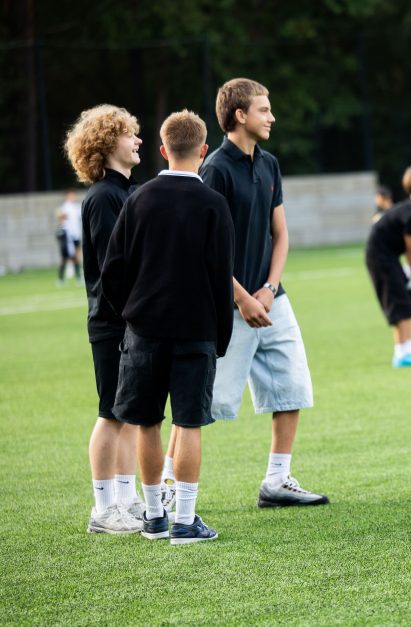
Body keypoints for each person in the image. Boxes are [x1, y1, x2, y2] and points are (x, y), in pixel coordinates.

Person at [101, 110, 235, 545]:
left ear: (162, 149)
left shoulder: (137, 199)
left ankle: (155, 517)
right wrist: (221, 335)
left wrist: (133, 314)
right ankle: (185, 520)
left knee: (147, 423)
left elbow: (112, 272)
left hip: (144, 331)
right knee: (190, 423)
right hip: (196, 330)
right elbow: (221, 275)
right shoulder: (214, 203)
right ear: (203, 150)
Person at [196, 77, 328, 509]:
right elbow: (205, 246)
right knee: (205, 404)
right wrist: (242, 298)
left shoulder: (269, 163)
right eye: (264, 110)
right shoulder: (214, 169)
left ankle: (277, 481)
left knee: (292, 387)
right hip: (229, 304)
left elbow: (281, 233)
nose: (272, 117)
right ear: (240, 115)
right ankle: (162, 489)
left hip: (274, 299)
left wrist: (269, 289)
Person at [64, 104, 145, 534]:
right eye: (130, 134)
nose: (138, 141)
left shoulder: (130, 192)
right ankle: (102, 509)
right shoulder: (102, 197)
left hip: (134, 322)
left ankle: (128, 499)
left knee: (130, 413)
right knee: (110, 413)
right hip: (114, 323)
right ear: (107, 141)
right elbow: (117, 269)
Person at [365, 164, 411, 367]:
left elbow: (409, 252)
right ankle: (403, 355)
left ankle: (406, 350)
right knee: (399, 302)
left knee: (405, 300)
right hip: (381, 259)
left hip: (387, 258)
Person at [59, 190, 83, 284]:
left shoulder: (76, 207)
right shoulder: (65, 207)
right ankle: (61, 278)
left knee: (77, 256)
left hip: (76, 234)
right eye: (71, 196)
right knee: (65, 256)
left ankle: (78, 276)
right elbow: (61, 218)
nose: (73, 197)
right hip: (67, 235)